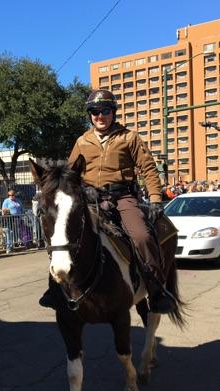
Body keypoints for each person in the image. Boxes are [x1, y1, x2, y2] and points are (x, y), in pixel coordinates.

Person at [40, 89, 175, 314]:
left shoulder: (129, 137)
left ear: (113, 112)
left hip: (122, 198)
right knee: (64, 234)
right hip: (90, 198)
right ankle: (56, 288)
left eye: (104, 111)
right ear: (90, 115)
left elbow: (148, 169)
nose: (99, 116)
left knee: (141, 236)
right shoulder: (82, 141)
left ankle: (156, 288)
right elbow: (72, 173)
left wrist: (155, 200)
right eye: (94, 112)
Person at [1, 189, 24, 254]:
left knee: (15, 233)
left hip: (17, 218)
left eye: (13, 195)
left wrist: (22, 215)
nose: (11, 196)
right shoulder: (6, 201)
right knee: (9, 233)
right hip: (9, 219)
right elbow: (3, 210)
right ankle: (9, 248)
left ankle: (14, 245)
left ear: (15, 195)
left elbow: (21, 208)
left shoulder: (18, 200)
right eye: (10, 195)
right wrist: (7, 213)